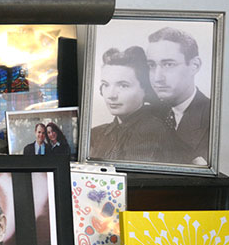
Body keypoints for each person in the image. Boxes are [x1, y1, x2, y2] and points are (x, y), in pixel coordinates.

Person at [89, 47, 189, 163]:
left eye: (123, 85)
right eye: (106, 85)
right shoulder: (96, 134)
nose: (111, 95)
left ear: (145, 89)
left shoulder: (153, 133)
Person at [146, 27, 210, 164]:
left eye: (168, 64)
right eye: (151, 65)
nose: (157, 78)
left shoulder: (213, 117)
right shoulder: (147, 114)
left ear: (195, 66)